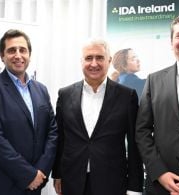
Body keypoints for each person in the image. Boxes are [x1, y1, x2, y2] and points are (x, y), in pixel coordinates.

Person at [52, 38, 144, 195]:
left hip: (112, 183)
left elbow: (135, 144)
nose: (94, 64)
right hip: (72, 181)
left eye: (100, 58)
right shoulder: (65, 94)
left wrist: (134, 187)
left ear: (108, 61)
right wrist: (58, 174)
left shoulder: (127, 96)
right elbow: (60, 138)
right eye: (88, 58)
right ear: (81, 61)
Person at [0, 29, 58, 195]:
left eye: (23, 50)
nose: (18, 55)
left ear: (29, 54)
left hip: (35, 184)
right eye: (11, 50)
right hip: (1, 185)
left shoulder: (41, 89)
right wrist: (28, 175)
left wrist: (41, 171)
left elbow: (53, 132)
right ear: (2, 56)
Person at [136, 11, 179, 195]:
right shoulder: (154, 80)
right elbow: (142, 131)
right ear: (171, 42)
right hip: (161, 186)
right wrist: (159, 172)